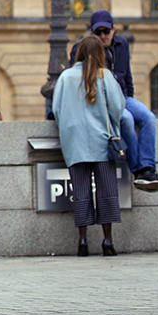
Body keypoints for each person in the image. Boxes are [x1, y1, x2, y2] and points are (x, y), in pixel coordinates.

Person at [69, 10, 158, 192]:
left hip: (122, 96)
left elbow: (126, 75)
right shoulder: (84, 48)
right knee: (127, 119)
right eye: (98, 32)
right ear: (92, 32)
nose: (103, 36)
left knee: (148, 117)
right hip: (100, 100)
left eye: (106, 31)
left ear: (114, 29)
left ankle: (148, 167)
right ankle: (138, 171)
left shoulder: (122, 45)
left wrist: (130, 96)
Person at [53, 36, 124, 257]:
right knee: (106, 191)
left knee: (81, 192)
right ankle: (107, 241)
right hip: (101, 141)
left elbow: (56, 109)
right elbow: (118, 108)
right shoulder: (106, 76)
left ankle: (82, 242)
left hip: (74, 143)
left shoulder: (65, 77)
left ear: (79, 53)